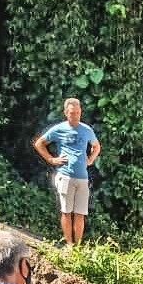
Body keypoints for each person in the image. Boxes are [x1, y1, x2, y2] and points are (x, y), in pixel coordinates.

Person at [32, 97, 101, 246]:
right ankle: (69, 244)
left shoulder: (87, 130)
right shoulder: (59, 129)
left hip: (83, 178)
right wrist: (51, 160)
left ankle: (78, 246)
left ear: (80, 111)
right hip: (65, 175)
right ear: (65, 113)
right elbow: (39, 144)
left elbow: (96, 146)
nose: (75, 116)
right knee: (66, 212)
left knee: (80, 214)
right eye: (72, 113)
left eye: (77, 113)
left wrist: (90, 160)